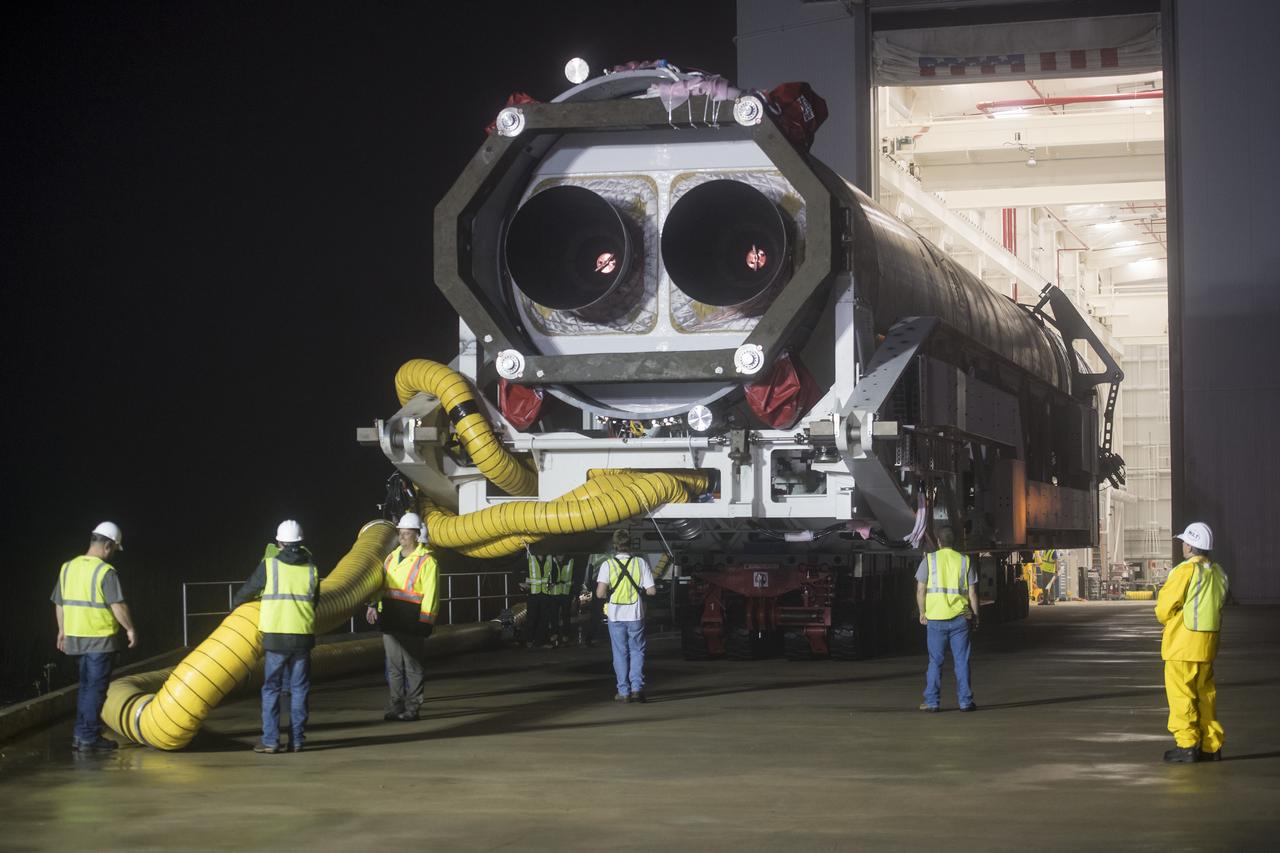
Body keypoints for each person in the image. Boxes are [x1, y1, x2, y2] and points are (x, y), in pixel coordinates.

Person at [51, 521, 138, 752]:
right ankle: (88, 736)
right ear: (108, 546)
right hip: (100, 639)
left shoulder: (67, 567)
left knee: (86, 687)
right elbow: (117, 605)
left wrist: (62, 630)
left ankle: (82, 734)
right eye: (113, 550)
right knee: (96, 689)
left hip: (76, 637)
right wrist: (129, 629)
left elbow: (60, 604)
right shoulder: (105, 571)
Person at [233, 519, 318, 754]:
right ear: (301, 543)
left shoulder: (270, 566)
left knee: (272, 688)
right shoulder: (312, 568)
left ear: (279, 542)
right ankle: (297, 740)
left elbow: (248, 590)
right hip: (302, 636)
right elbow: (315, 601)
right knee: (299, 689)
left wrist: (235, 606)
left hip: (276, 637)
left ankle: (271, 741)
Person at [1156, 522, 1229, 763]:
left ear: (1191, 545)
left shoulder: (1185, 571)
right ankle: (1211, 746)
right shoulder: (1218, 572)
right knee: (1206, 696)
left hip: (1182, 645)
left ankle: (1187, 746)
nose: (1183, 545)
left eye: (1185, 541)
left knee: (1181, 695)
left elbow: (1164, 609)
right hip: (1207, 646)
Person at [365, 512, 438, 722]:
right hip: (390, 617)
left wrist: (426, 622)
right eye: (401, 533)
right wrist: (373, 604)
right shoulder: (391, 557)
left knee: (413, 666)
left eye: (407, 533)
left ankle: (413, 708)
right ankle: (396, 706)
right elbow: (383, 585)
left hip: (412, 620)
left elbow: (431, 595)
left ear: (417, 535)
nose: (403, 537)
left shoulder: (427, 561)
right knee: (394, 666)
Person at [916, 526, 980, 712]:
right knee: (962, 661)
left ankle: (932, 702)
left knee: (935, 661)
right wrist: (976, 615)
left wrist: (922, 612)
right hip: (960, 620)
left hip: (935, 620)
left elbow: (920, 590)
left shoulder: (929, 560)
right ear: (954, 542)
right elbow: (973, 593)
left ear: (938, 542)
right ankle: (965, 702)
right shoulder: (964, 561)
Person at [595, 530, 655, 703]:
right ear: (631, 544)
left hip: (615, 615)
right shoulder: (640, 563)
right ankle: (637, 688)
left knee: (620, 653)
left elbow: (600, 594)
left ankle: (624, 691)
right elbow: (651, 591)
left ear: (615, 545)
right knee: (637, 650)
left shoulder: (608, 565)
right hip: (635, 614)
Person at [523, 549, 556, 648]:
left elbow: (554, 571)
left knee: (544, 619)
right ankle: (529, 640)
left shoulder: (549, 558)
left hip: (545, 593)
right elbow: (518, 570)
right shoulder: (530, 558)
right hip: (533, 592)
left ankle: (540, 642)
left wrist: (552, 582)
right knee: (531, 618)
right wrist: (521, 582)